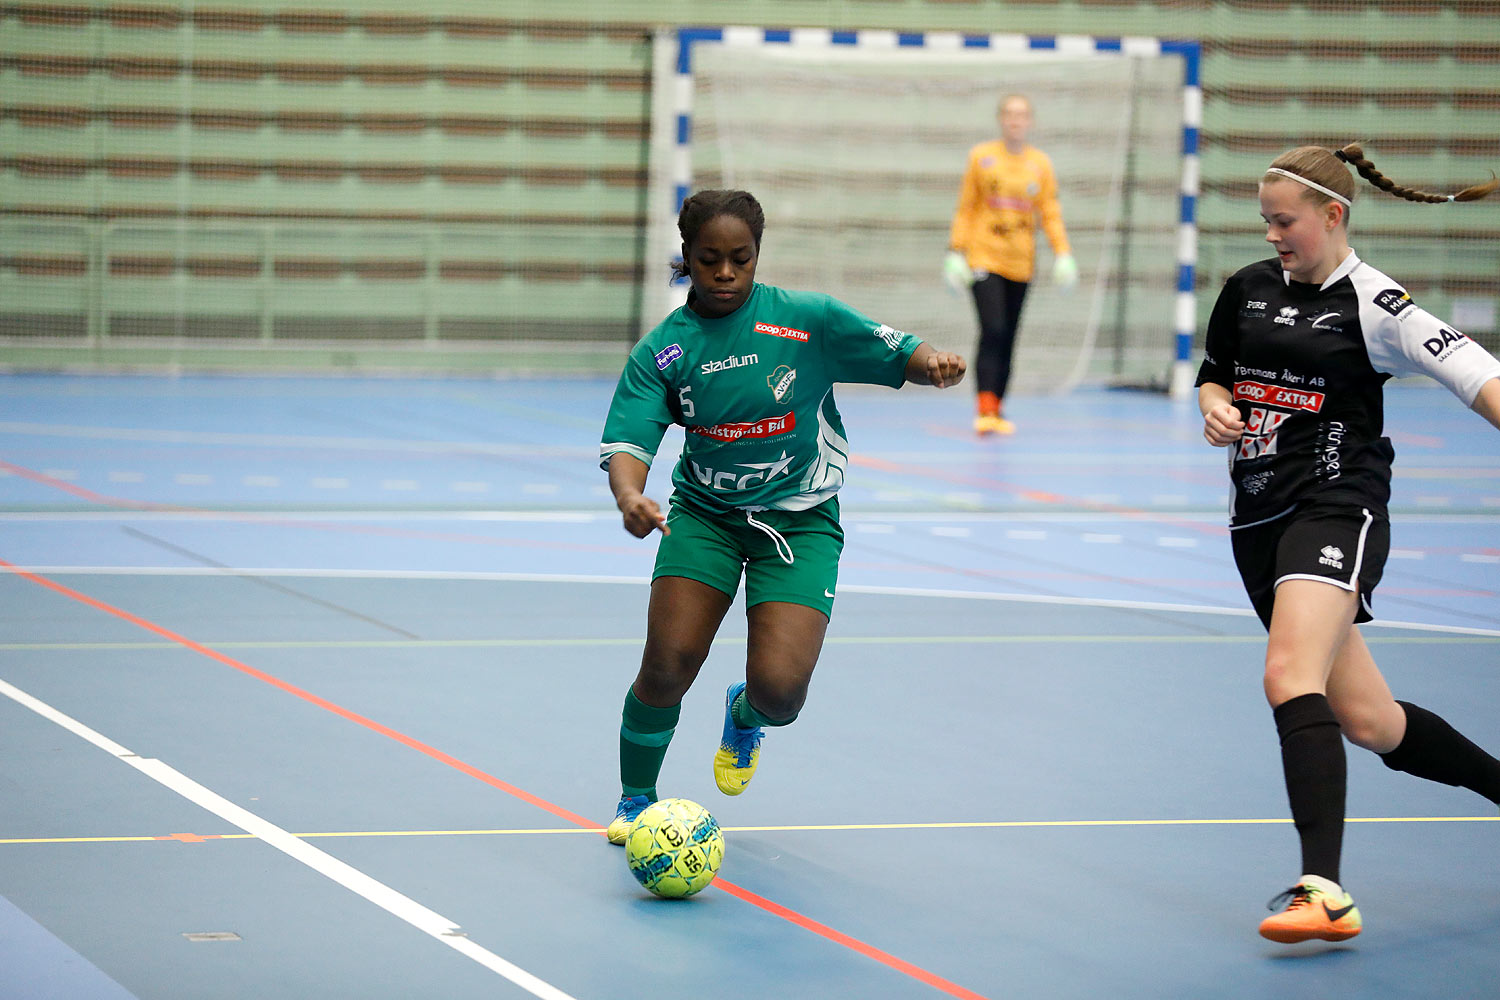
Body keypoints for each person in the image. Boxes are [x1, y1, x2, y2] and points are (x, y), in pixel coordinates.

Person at [1196, 142, 1500, 943]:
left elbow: (1477, 377)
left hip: (1337, 509)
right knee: (1371, 721)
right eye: (1264, 221)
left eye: (1285, 221)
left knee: (1288, 675)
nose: (1272, 235)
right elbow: (1215, 368)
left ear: (1334, 216)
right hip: (1256, 523)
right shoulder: (1247, 290)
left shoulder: (1378, 305)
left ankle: (1324, 890)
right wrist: (1215, 403)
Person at [599, 189, 967, 843]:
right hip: (707, 516)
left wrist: (930, 363)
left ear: (757, 256)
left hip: (799, 523)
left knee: (780, 694)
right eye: (709, 259)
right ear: (687, 256)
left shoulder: (806, 321)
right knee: (668, 663)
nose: (725, 273)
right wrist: (631, 496)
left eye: (740, 259)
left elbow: (893, 347)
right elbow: (630, 441)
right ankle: (635, 800)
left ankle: (745, 714)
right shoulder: (666, 350)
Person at [944, 93, 1077, 436]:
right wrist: (955, 251)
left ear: (1029, 121)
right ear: (1001, 119)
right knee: (994, 329)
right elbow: (967, 206)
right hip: (984, 256)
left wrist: (1063, 253)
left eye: (1022, 115)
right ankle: (985, 406)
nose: (1015, 120)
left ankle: (998, 407)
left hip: (1022, 262)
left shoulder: (1040, 164)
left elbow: (1050, 212)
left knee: (1010, 336)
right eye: (1009, 114)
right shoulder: (982, 157)